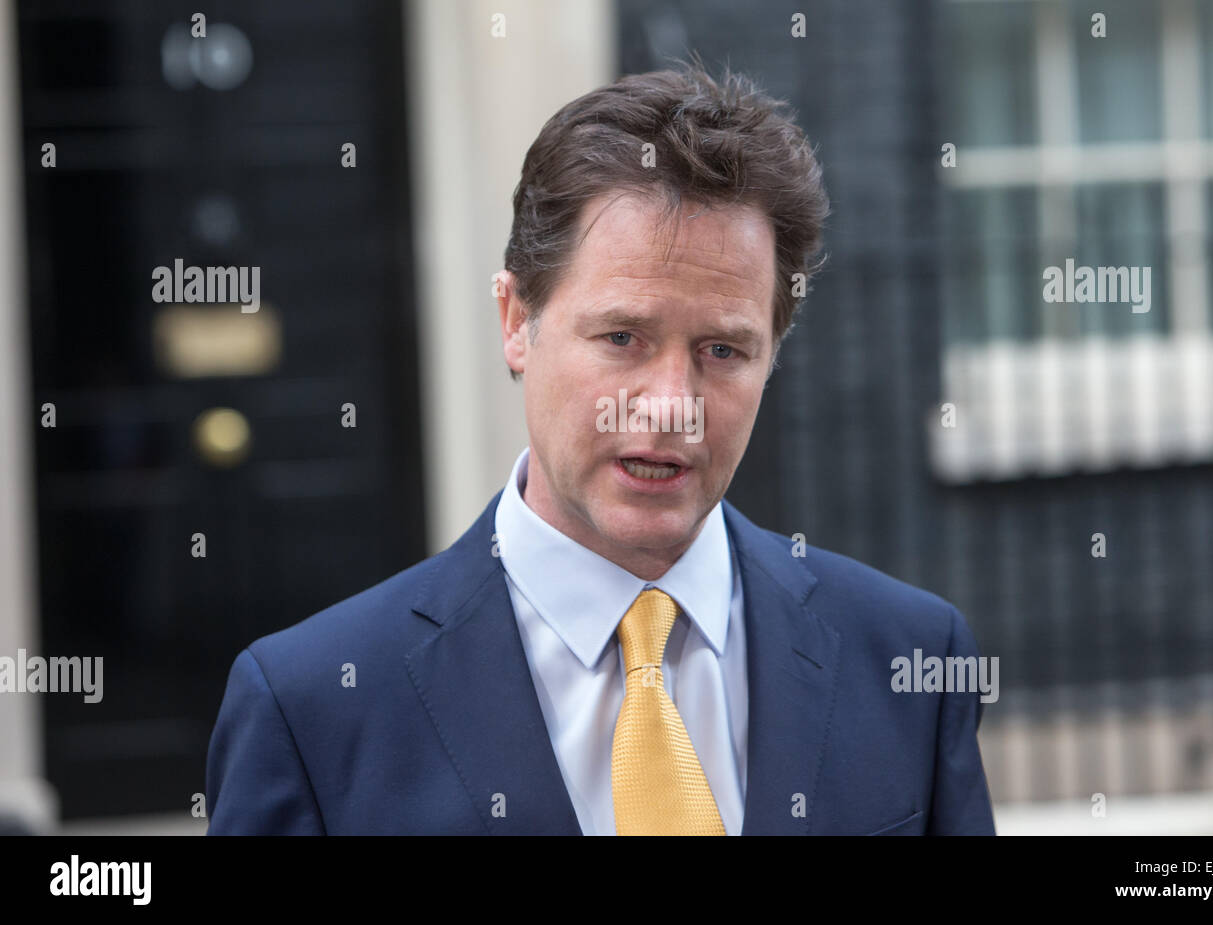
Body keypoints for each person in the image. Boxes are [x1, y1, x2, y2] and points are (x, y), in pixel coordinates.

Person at [205, 60, 996, 835]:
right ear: (517, 320)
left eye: (723, 350)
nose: (670, 406)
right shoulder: (312, 709)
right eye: (622, 336)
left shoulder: (910, 662)